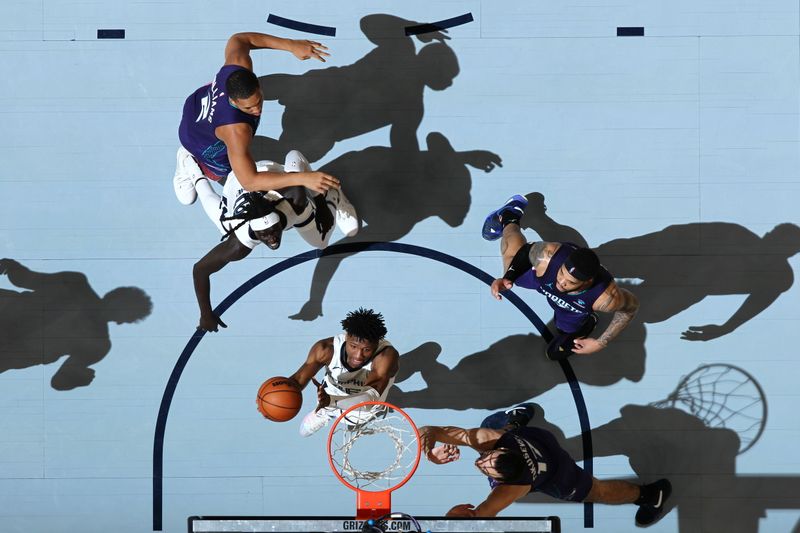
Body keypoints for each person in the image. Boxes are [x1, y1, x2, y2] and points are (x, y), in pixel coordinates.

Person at [418, 405, 672, 527]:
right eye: (486, 459)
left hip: (557, 473)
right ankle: (514, 422)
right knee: (490, 427)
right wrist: (430, 453)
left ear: (500, 481)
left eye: (485, 467)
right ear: (501, 449)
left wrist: (452, 517)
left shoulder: (510, 489)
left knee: (597, 491)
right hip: (536, 439)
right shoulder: (491, 441)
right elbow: (429, 431)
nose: (481, 461)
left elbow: (479, 517)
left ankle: (651, 495)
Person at [192, 150, 358, 332]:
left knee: (321, 241)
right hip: (238, 180)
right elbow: (200, 270)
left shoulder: (296, 202)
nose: (271, 239)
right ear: (255, 232)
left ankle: (332, 194)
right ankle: (192, 169)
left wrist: (317, 189)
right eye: (264, 235)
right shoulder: (238, 240)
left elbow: (297, 187)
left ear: (279, 222)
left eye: (273, 231)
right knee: (222, 222)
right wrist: (205, 313)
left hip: (272, 174)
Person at [173, 31, 341, 205]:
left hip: (197, 107)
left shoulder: (239, 64)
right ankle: (186, 160)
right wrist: (303, 179)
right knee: (207, 189)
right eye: (248, 107)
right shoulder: (237, 131)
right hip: (201, 143)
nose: (257, 110)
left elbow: (240, 39)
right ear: (233, 100)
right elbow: (250, 181)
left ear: (257, 84)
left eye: (258, 101)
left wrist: (291, 45)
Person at [483, 195, 639, 359]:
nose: (561, 283)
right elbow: (525, 252)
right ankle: (509, 216)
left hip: (571, 308)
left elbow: (630, 308)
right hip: (544, 279)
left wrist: (601, 342)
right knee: (511, 260)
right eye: (562, 273)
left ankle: (589, 321)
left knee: (563, 334)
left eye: (570, 282)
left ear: (588, 282)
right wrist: (508, 277)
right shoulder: (549, 255)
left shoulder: (606, 298)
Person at [0, 259, 152, 390]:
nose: (120, 315)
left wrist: (76, 378)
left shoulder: (98, 346)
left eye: (127, 315)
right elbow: (27, 279)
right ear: (113, 296)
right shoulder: (75, 284)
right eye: (124, 309)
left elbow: (58, 382)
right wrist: (11, 266)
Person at [287, 308, 399, 437]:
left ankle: (333, 409)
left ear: (377, 343)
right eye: (353, 346)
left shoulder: (386, 356)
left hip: (360, 409)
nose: (358, 356)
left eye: (366, 349)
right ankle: (326, 412)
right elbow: (297, 380)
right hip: (327, 398)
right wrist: (270, 396)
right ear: (346, 337)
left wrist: (331, 401)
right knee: (303, 433)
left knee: (361, 416)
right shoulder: (326, 349)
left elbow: (369, 400)